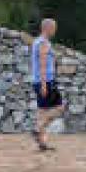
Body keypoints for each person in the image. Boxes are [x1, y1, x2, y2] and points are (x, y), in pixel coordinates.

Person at [30, 18, 64, 151]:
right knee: (59, 108)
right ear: (47, 28)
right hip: (46, 81)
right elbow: (43, 64)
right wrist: (44, 84)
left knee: (42, 111)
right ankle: (37, 129)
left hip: (37, 81)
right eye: (54, 28)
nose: (55, 30)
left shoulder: (36, 42)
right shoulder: (44, 43)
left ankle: (42, 143)